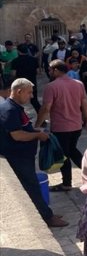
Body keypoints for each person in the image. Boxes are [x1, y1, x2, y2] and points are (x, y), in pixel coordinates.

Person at [0, 78, 67, 227]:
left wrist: (35, 130)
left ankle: (45, 213)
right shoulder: (9, 110)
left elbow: (23, 128)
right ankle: (47, 217)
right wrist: (37, 135)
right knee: (32, 186)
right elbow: (17, 135)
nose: (31, 96)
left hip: (23, 156)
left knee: (32, 185)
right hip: (17, 157)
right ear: (19, 91)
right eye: (29, 92)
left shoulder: (16, 107)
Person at [35, 60, 87, 191]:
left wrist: (37, 125)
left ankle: (67, 183)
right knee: (72, 150)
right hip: (76, 125)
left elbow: (46, 108)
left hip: (61, 127)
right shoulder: (78, 84)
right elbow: (85, 104)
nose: (49, 72)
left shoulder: (51, 87)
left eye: (50, 69)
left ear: (56, 70)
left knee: (64, 154)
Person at [9, 43, 40, 111]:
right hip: (32, 83)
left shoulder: (15, 61)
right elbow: (37, 72)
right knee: (34, 101)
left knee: (18, 103)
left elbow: (13, 74)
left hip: (20, 85)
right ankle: (42, 119)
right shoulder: (34, 59)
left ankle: (21, 119)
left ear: (18, 51)